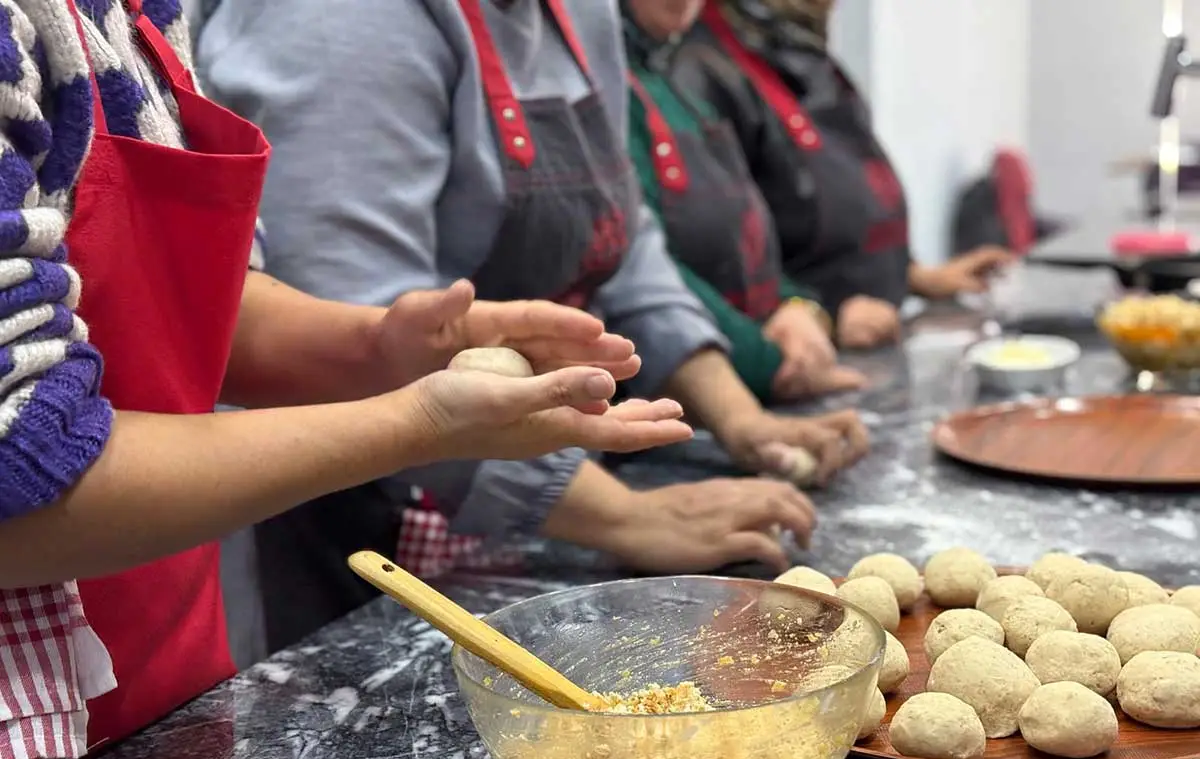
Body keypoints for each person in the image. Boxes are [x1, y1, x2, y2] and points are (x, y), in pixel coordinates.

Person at [0, 0, 694, 759]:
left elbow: (199, 310)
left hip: (158, 689)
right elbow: (22, 478)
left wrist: (376, 351)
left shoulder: (133, 15)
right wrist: (421, 420)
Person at [194, 0, 871, 645]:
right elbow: (360, 332)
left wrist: (740, 417)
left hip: (546, 502)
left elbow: (625, 239)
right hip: (366, 533)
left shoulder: (580, 12)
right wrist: (624, 516)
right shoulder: (339, 21)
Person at [676, 0, 1014, 349]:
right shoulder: (702, 72)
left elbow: (850, 201)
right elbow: (726, 254)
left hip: (870, 338)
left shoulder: (803, 54)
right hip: (801, 355)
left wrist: (915, 276)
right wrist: (828, 314)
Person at [621, 0, 866, 403]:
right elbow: (644, 270)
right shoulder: (615, 93)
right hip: (686, 401)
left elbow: (750, 229)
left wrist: (798, 308)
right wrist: (771, 363)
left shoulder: (673, 84)